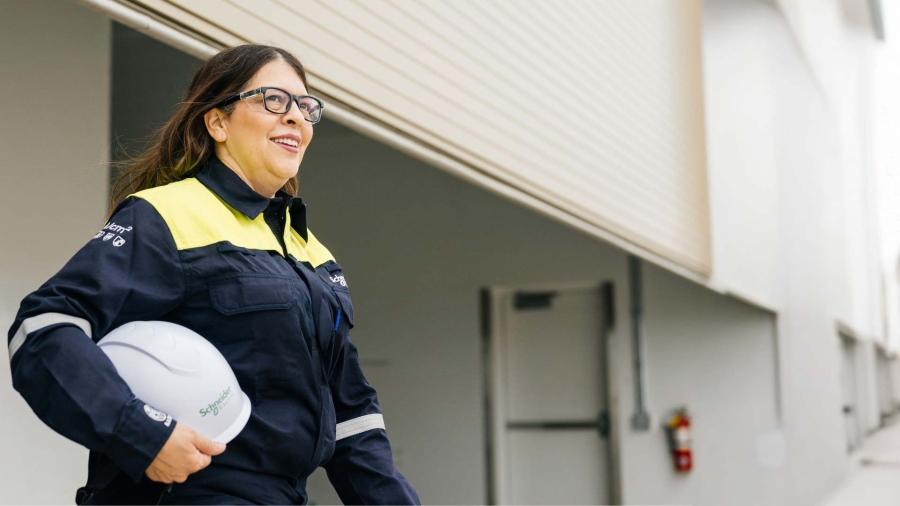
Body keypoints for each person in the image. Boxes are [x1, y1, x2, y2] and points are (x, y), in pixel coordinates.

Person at [7, 44, 419, 505]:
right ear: (217, 122)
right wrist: (142, 435)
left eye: (305, 107)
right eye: (274, 100)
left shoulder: (311, 253)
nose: (297, 118)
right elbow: (42, 329)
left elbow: (352, 413)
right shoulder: (164, 216)